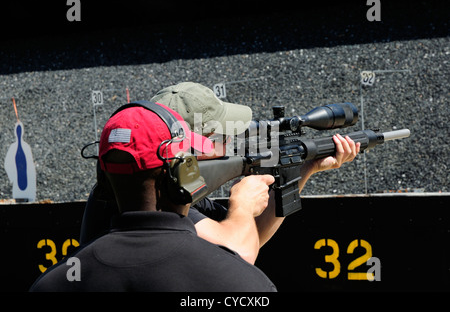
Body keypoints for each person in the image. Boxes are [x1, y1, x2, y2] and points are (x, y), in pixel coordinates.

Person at [80, 82, 360, 265]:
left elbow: (250, 237)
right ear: (192, 142)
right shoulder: (156, 193)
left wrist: (301, 170)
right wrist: (242, 206)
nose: (228, 140)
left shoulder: (164, 184)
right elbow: (238, 252)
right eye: (219, 134)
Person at [30, 102, 277, 292]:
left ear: (103, 179)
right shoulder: (243, 283)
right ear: (183, 174)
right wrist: (242, 209)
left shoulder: (52, 283)